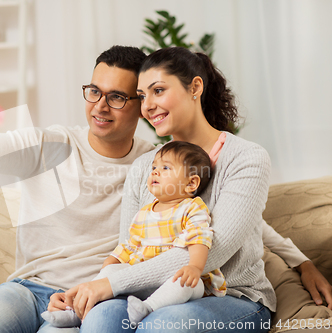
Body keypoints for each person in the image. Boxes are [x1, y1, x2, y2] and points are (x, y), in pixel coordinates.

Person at [0, 45, 331, 333]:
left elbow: (225, 229)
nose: (101, 107)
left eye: (123, 96)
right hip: (53, 288)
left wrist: (301, 261)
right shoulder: (102, 155)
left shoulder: (200, 161)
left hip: (168, 295)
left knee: (124, 323)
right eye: (94, 92)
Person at [58, 47, 332, 333]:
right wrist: (86, 292)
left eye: (158, 91)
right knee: (101, 319)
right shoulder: (144, 167)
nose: (147, 106)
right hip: (153, 294)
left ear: (195, 87)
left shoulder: (246, 158)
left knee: (161, 326)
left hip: (234, 297)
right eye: (141, 96)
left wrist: (302, 263)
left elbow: (216, 248)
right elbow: (131, 247)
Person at [42, 141, 226, 329]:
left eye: (165, 168)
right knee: (109, 273)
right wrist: (109, 266)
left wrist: (195, 266)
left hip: (179, 277)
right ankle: (76, 311)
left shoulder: (192, 208)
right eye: (154, 167)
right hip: (143, 277)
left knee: (185, 283)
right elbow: (130, 246)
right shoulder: (145, 212)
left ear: (191, 183)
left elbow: (199, 237)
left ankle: (148, 308)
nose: (155, 171)